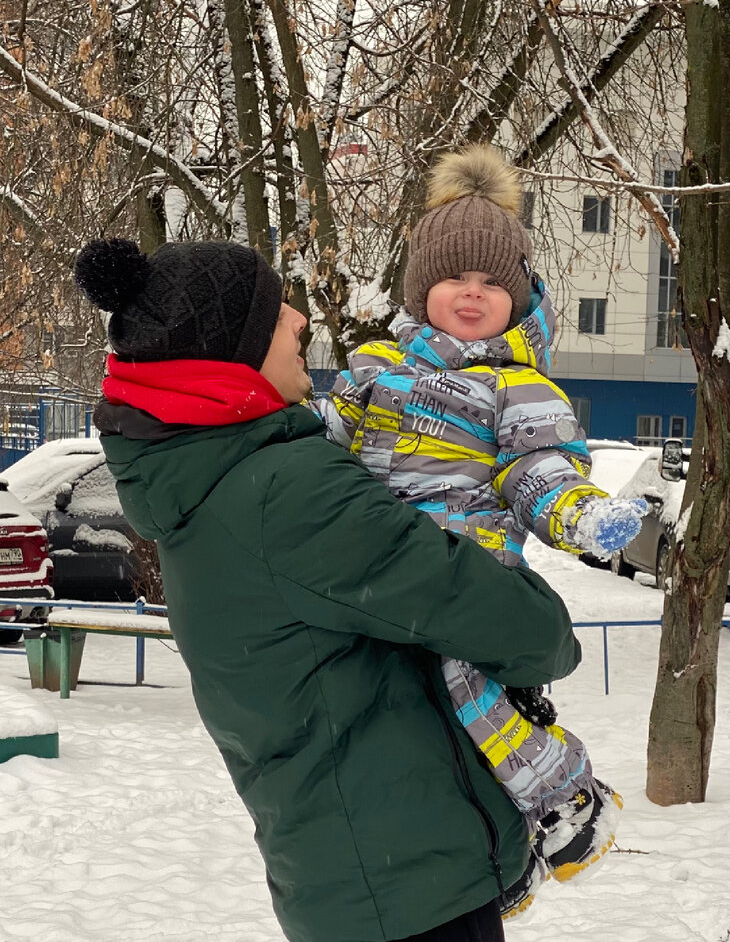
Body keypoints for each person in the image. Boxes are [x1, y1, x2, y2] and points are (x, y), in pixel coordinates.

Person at [74, 236, 582, 942]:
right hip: (407, 890)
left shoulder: (201, 479)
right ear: (231, 348)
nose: (298, 319)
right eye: (273, 309)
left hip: (347, 875)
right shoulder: (283, 492)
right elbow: (513, 623)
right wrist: (549, 625)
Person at [315, 145, 648, 918]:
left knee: (465, 683)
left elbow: (539, 470)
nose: (472, 293)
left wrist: (578, 511)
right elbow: (321, 459)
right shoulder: (370, 368)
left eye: (493, 281)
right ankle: (495, 862)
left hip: (464, 572)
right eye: (455, 277)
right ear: (420, 286)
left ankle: (564, 797)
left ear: (519, 294)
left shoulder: (517, 386)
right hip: (372, 571)